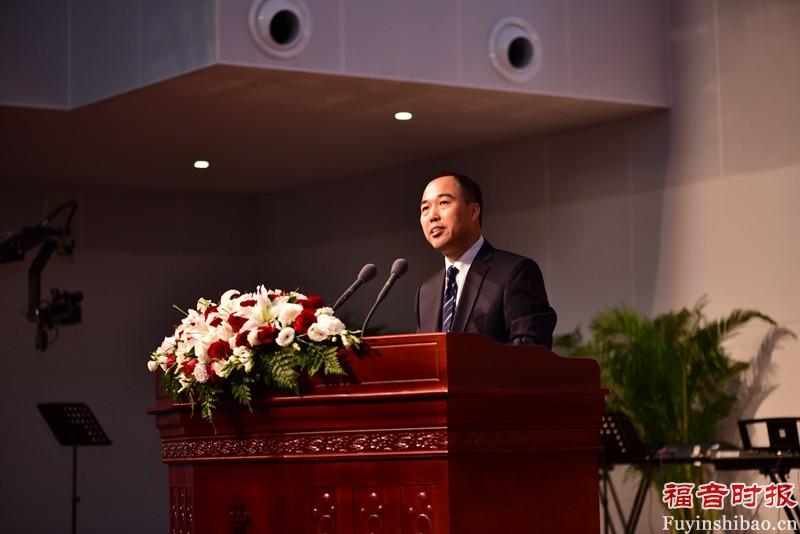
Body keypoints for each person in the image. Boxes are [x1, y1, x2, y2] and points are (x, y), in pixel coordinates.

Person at [415, 173, 557, 347]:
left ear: (473, 211)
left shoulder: (514, 272)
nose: (432, 216)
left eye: (443, 203)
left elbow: (531, 349)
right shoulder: (427, 291)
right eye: (425, 209)